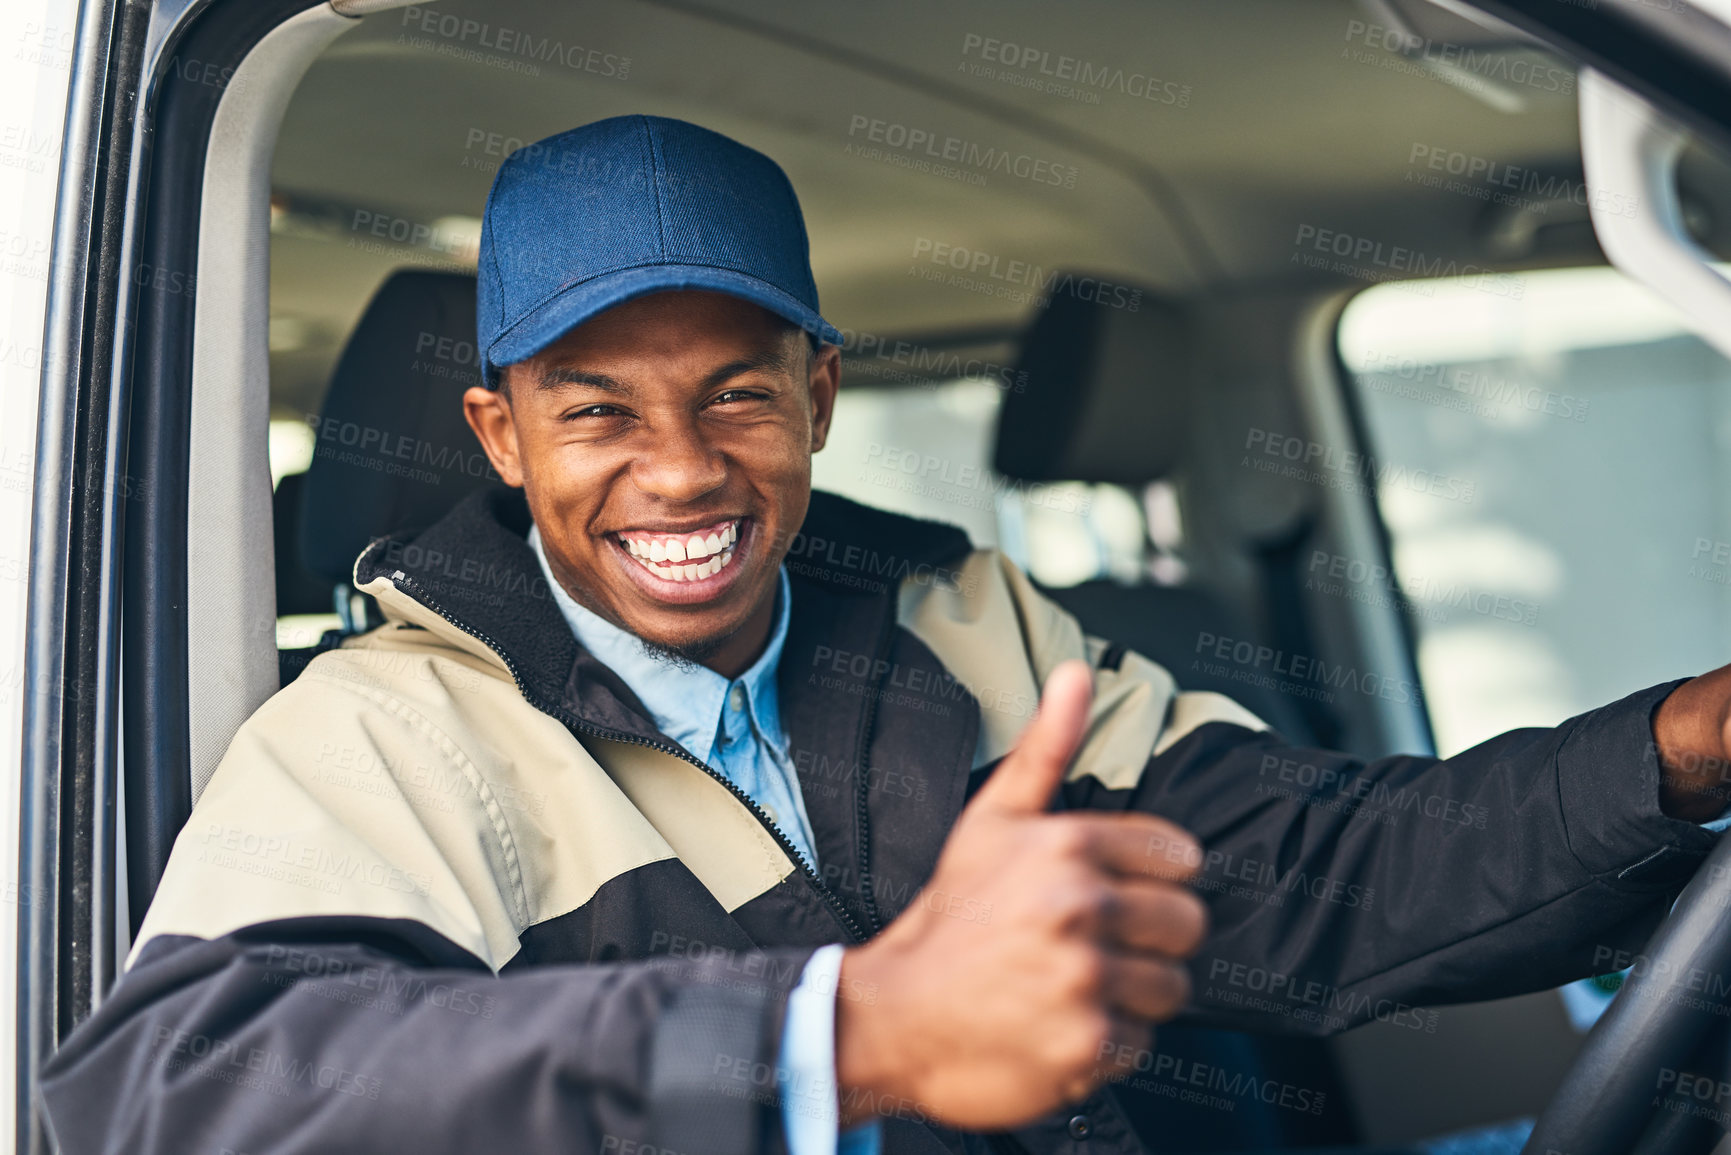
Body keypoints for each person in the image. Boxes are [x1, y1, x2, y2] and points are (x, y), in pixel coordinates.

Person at [37, 115, 1731, 1155]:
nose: (685, 471)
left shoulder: (960, 619)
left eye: (737, 397)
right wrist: (841, 1037)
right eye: (597, 412)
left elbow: (1315, 874)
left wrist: (1674, 754)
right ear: (499, 436)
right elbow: (181, 1097)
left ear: (822, 395)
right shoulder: (387, 736)